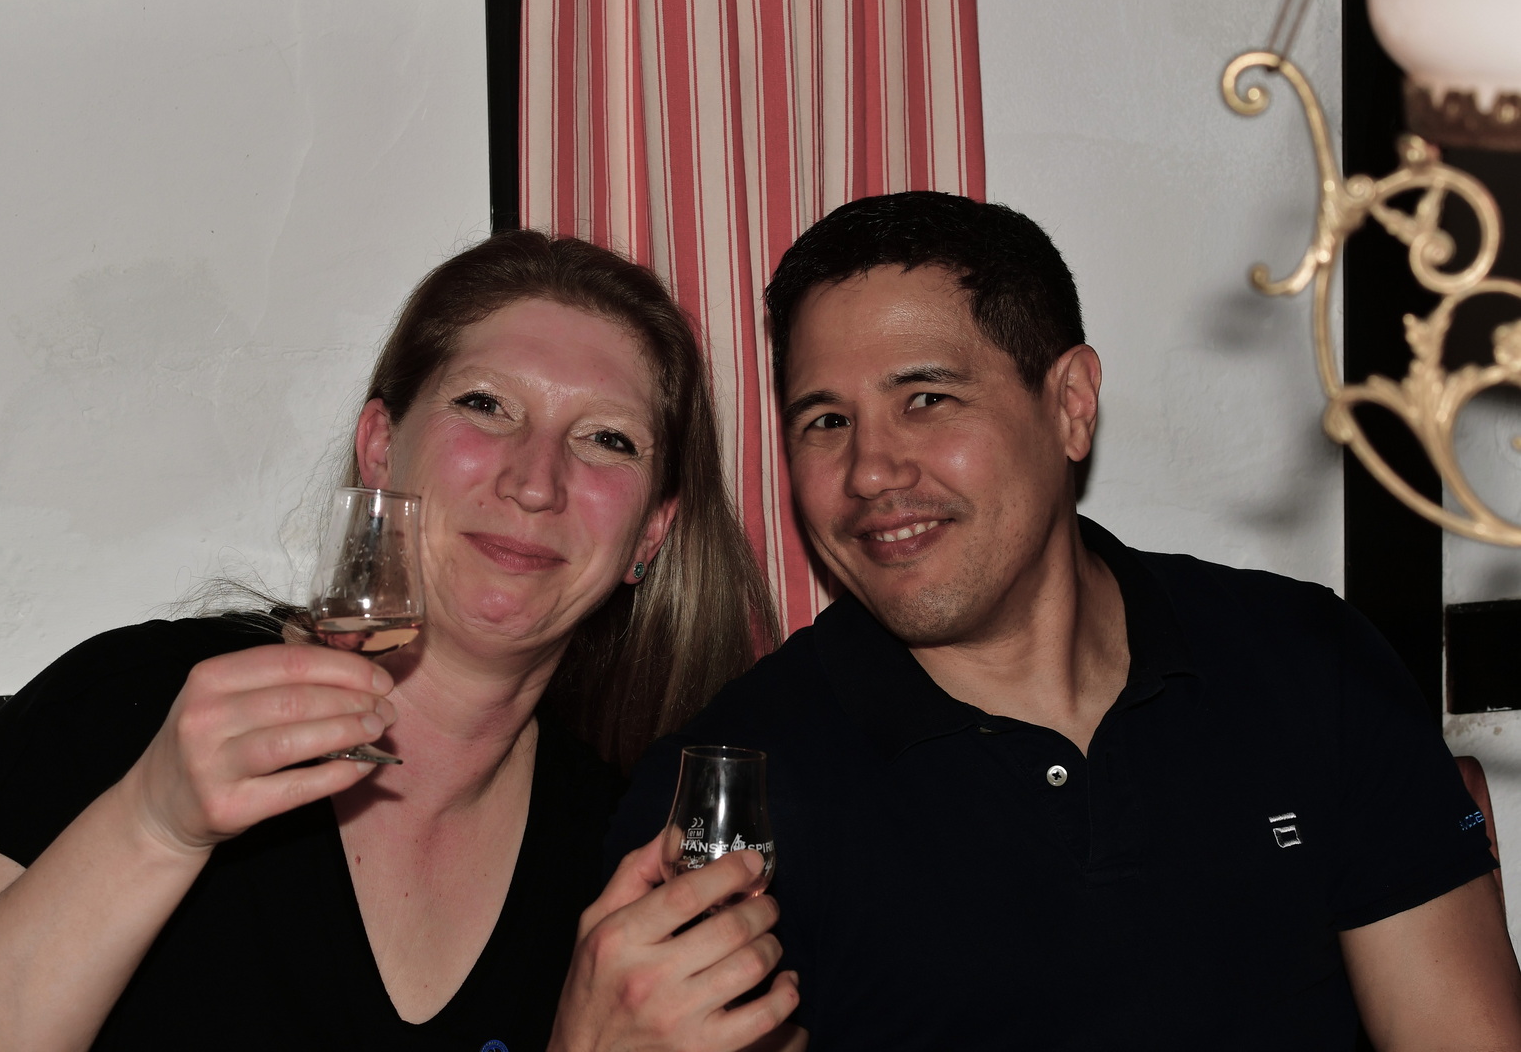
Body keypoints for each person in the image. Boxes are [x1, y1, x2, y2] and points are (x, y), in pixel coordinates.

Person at [608, 192, 1521, 1050]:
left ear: (1071, 405)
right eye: (825, 421)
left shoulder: (1306, 663)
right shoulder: (730, 789)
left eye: (926, 399)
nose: (870, 470)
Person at [0, 230, 800, 1051]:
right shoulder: (126, 710)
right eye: (486, 405)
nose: (536, 482)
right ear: (379, 448)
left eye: (606, 439)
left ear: (651, 533)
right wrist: (152, 825)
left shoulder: (622, 851)